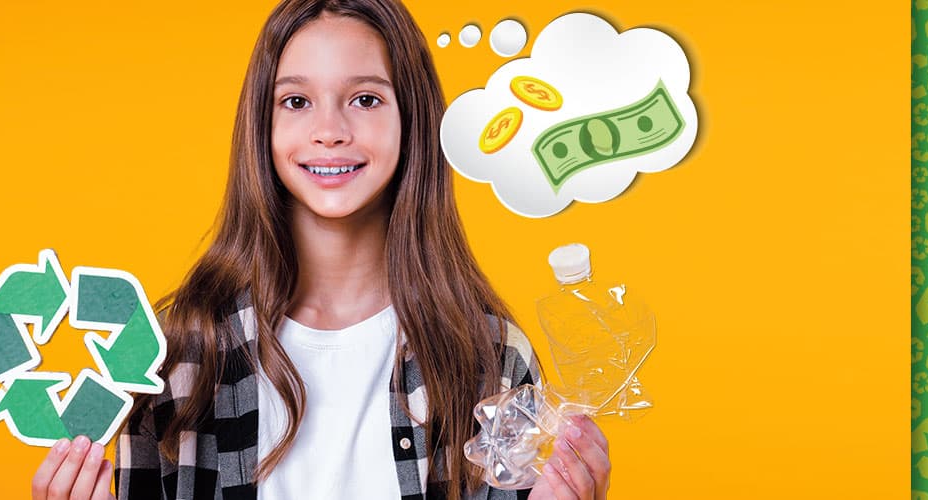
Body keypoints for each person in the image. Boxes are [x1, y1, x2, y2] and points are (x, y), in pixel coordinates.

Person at [31, 0, 612, 498]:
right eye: (296, 101)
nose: (330, 130)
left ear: (413, 120)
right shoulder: (175, 354)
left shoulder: (490, 356)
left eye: (365, 99)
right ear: (263, 125)